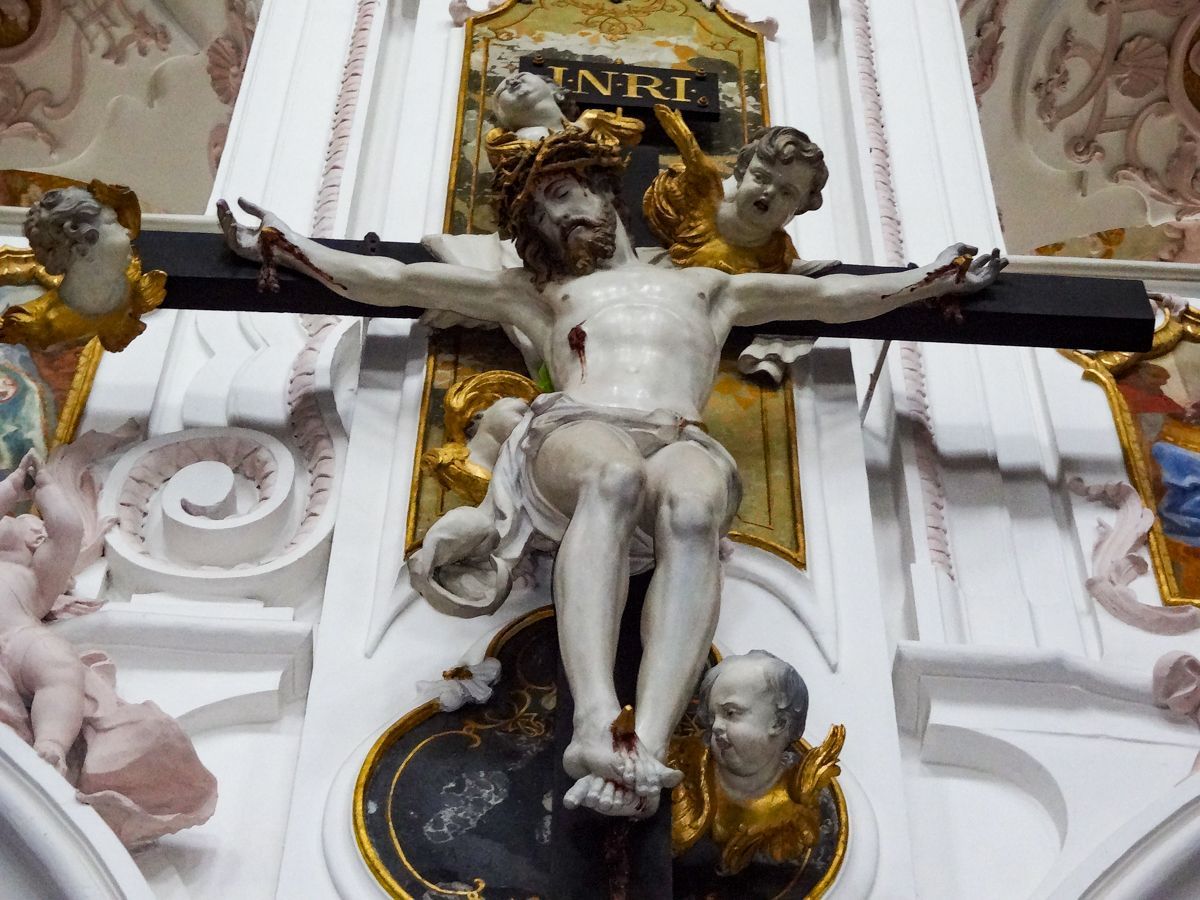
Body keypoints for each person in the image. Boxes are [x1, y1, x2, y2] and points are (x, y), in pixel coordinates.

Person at [218, 127, 1005, 817]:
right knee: (615, 477)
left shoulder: (708, 287)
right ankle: (596, 719)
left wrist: (930, 280)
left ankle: (646, 744)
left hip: (678, 433)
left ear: (604, 191)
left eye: (566, 194)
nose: (560, 216)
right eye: (542, 213)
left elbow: (830, 296)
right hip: (579, 429)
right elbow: (393, 282)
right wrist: (290, 248)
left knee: (695, 504)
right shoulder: (538, 293)